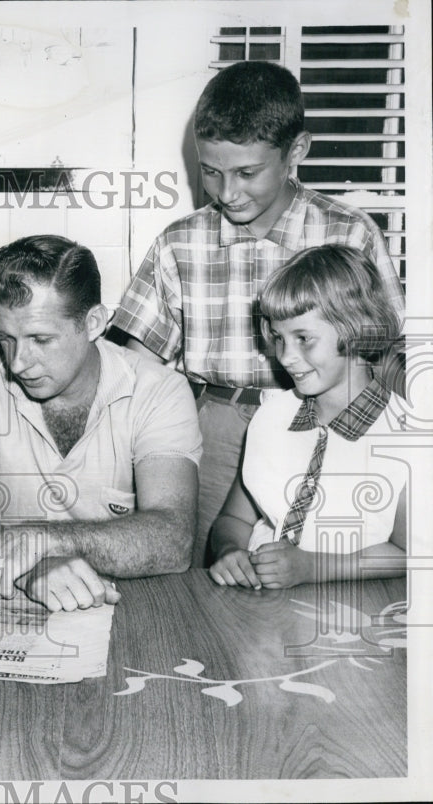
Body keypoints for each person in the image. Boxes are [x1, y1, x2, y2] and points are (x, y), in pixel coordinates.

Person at [107, 60, 405, 568]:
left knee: (332, 575)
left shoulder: (350, 231)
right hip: (212, 426)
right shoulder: (181, 241)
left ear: (297, 152)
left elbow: (389, 353)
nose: (227, 192)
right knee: (211, 576)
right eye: (211, 171)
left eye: (247, 173)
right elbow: (134, 363)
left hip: (334, 426)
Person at [0, 235, 202, 613]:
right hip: (7, 596)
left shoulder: (161, 391)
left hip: (129, 607)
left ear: (93, 323)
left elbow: (173, 539)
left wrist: (40, 541)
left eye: (41, 339)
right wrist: (30, 568)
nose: (18, 362)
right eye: (5, 338)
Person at [209, 245, 407, 589]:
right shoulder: (271, 417)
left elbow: (409, 552)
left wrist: (311, 567)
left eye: (303, 338)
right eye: (278, 338)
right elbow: (233, 518)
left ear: (357, 330)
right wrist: (230, 551)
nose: (286, 357)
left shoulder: (406, 436)